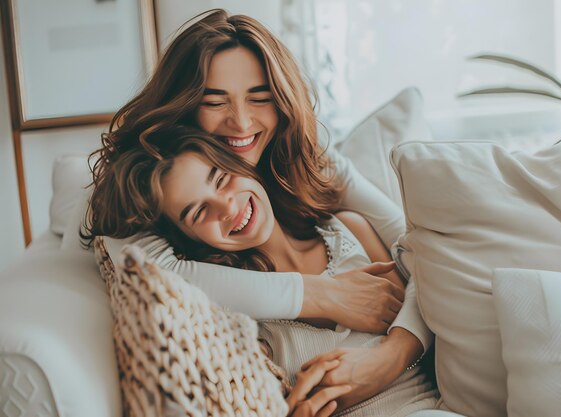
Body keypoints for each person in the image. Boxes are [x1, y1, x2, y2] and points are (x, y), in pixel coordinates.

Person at [83, 8, 432, 409]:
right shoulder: (158, 199)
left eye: (260, 98)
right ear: (184, 107)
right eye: (215, 102)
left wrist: (391, 356)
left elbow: (423, 250)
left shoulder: (318, 174)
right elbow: (154, 275)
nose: (242, 121)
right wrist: (323, 294)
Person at [92, 128, 437, 416]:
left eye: (221, 178)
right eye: (200, 213)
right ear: (190, 239)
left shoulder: (348, 230)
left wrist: (386, 359)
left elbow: (425, 291)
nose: (227, 207)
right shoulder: (241, 318)